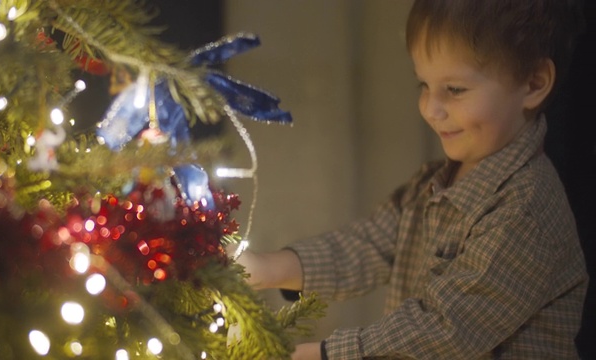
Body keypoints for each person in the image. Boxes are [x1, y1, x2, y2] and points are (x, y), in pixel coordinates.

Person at [234, 0, 588, 359]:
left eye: (455, 90)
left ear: (533, 83)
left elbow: (447, 330)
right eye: (424, 84)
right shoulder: (433, 184)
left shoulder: (526, 211)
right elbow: (366, 246)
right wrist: (264, 269)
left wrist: (316, 354)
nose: (431, 109)